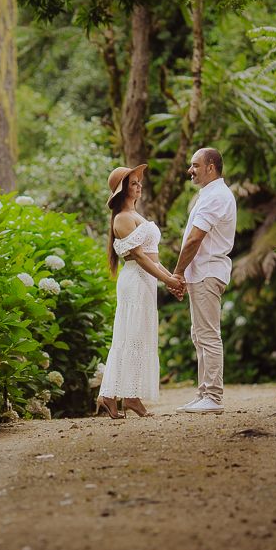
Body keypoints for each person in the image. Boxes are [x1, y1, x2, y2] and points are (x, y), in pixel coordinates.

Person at [96, 164, 184, 419]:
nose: (139, 186)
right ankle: (124, 396)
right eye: (134, 183)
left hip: (146, 281)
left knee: (139, 336)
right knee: (130, 336)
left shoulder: (135, 216)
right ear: (123, 190)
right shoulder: (123, 218)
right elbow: (141, 259)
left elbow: (153, 259)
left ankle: (115, 396)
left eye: (138, 182)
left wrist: (171, 279)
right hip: (135, 281)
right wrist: (169, 280)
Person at [171, 148, 237, 414]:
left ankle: (213, 396)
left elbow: (195, 239)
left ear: (211, 166)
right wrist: (185, 275)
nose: (190, 170)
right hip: (201, 273)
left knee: (208, 335)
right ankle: (204, 393)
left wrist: (177, 273)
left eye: (195, 165)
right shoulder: (209, 195)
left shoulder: (217, 196)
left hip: (209, 272)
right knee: (199, 334)